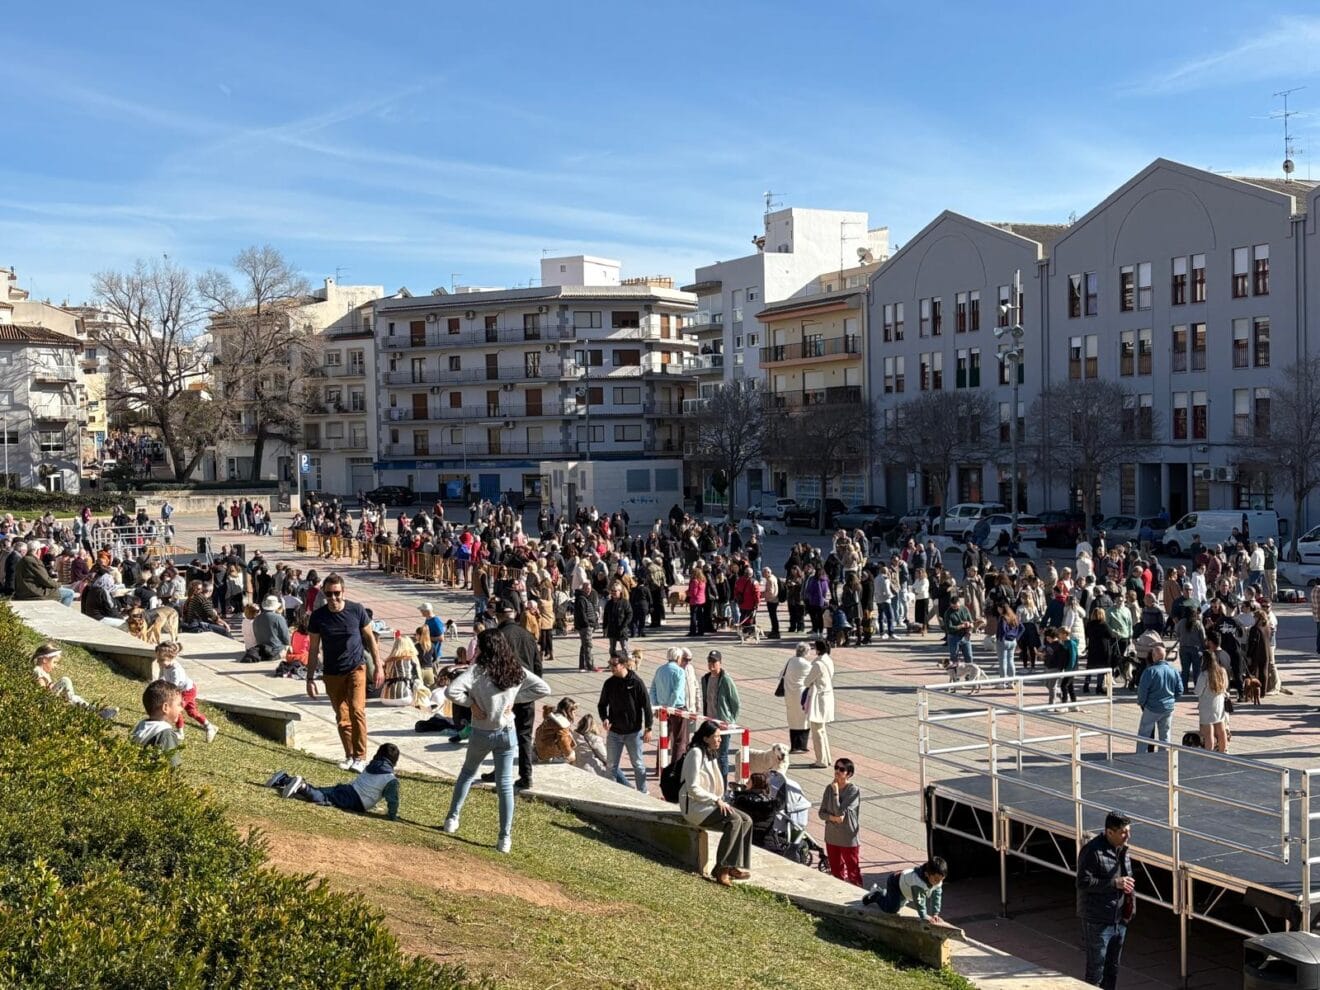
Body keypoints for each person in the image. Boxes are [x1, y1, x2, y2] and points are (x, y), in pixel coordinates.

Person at [442, 628, 550, 853]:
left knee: (467, 773)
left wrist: (471, 703)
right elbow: (543, 688)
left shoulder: (477, 672)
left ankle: (452, 818)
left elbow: (451, 691)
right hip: (506, 732)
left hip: (481, 731)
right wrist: (515, 699)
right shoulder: (514, 670)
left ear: (485, 649)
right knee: (504, 785)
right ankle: (504, 838)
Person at [306, 573, 381, 772]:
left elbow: (371, 639)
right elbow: (313, 648)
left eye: (337, 593)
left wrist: (379, 666)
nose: (333, 598)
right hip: (331, 672)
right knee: (342, 715)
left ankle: (361, 756)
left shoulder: (356, 610)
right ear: (324, 593)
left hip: (356, 667)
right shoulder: (318, 616)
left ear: (343, 592)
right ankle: (349, 754)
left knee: (357, 710)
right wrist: (310, 677)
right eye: (329, 594)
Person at [679, 719, 753, 887]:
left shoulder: (711, 753)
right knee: (734, 821)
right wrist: (716, 799)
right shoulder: (696, 753)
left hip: (710, 804)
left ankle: (733, 865)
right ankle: (722, 868)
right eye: (716, 736)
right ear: (705, 738)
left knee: (747, 820)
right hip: (696, 806)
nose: (720, 740)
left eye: (720, 736)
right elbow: (692, 787)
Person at [1076, 811, 1134, 989]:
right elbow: (1083, 882)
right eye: (1123, 832)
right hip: (1098, 920)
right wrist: (1115, 883)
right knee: (1096, 970)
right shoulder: (1092, 851)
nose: (1127, 835)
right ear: (1109, 832)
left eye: (1128, 831)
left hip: (1119, 919)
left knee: (1112, 968)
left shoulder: (1123, 850)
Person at [270, 743, 401, 820]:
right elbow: (392, 800)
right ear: (394, 761)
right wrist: (392, 816)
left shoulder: (371, 765)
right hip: (356, 801)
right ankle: (302, 787)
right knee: (324, 798)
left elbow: (371, 786)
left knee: (321, 791)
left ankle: (283, 779)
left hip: (349, 788)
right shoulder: (390, 779)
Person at [597, 653, 654, 791]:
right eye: (610, 664)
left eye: (614, 665)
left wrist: (648, 727)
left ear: (623, 665)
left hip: (633, 732)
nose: (611, 667)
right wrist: (605, 718)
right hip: (615, 732)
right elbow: (602, 704)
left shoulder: (636, 682)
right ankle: (612, 793)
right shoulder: (609, 683)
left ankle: (642, 792)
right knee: (611, 765)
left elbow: (646, 706)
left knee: (638, 764)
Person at [32, 642, 116, 719]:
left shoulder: (44, 672)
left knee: (76, 698)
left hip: (51, 698)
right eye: (54, 662)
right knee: (65, 680)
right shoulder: (38, 671)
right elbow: (41, 692)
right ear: (45, 660)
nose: (55, 666)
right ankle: (94, 710)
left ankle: (98, 712)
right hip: (46, 701)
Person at [155, 641, 218, 743]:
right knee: (192, 712)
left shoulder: (176, 671)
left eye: (161, 660)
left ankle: (180, 733)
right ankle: (210, 727)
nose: (158, 662)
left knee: (176, 708)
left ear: (171, 658)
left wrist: (165, 692)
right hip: (183, 690)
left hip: (187, 691)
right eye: (157, 659)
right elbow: (162, 676)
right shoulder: (165, 666)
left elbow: (174, 688)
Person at [819, 757, 862, 886]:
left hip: (848, 837)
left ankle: (859, 897)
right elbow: (821, 813)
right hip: (831, 836)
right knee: (836, 871)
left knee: (853, 872)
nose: (837, 771)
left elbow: (840, 814)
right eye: (836, 768)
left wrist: (836, 793)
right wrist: (833, 819)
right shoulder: (829, 788)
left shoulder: (853, 790)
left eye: (842, 769)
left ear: (849, 774)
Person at [864, 857, 948, 923]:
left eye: (941, 879)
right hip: (895, 883)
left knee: (898, 903)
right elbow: (919, 901)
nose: (938, 882)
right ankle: (877, 894)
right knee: (891, 909)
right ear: (926, 874)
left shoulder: (937, 881)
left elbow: (936, 897)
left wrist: (935, 914)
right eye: (936, 879)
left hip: (905, 888)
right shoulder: (918, 883)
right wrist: (924, 916)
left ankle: (886, 894)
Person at [701, 650, 741, 781]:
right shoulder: (705, 679)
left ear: (720, 663)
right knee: (710, 754)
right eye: (709, 661)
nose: (711, 664)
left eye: (714, 662)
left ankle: (723, 785)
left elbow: (735, 702)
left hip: (723, 724)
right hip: (710, 723)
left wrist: (731, 720)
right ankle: (713, 782)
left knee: (722, 755)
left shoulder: (726, 680)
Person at [1135, 645, 1179, 753]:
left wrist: (1142, 702)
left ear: (1154, 656)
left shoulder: (1150, 671)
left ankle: (1139, 757)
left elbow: (1142, 690)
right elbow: (1180, 689)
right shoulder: (1173, 670)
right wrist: (1172, 699)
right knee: (1165, 735)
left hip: (1152, 707)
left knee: (1144, 734)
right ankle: (1164, 758)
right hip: (1168, 707)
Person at [131, 679, 184, 767]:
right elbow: (172, 766)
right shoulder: (165, 734)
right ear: (165, 707)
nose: (181, 709)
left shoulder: (141, 726)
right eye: (178, 705)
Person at [650, 647, 691, 759]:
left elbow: (652, 689)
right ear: (678, 658)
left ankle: (659, 767)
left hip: (662, 708)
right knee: (679, 740)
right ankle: (675, 768)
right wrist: (670, 708)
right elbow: (676, 692)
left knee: (663, 737)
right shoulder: (680, 671)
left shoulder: (660, 670)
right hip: (676, 709)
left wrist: (656, 706)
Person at [804, 639, 836, 769]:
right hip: (827, 695)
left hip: (818, 698)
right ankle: (826, 758)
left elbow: (807, 681)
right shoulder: (828, 660)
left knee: (817, 730)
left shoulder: (817, 664)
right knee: (822, 729)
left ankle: (820, 760)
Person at [781, 641, 813, 754]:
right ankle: (802, 745)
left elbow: (781, 674)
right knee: (803, 720)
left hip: (789, 694)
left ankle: (794, 745)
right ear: (806, 652)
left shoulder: (791, 660)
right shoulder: (806, 664)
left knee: (793, 720)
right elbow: (812, 677)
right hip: (802, 695)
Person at [1195, 649, 1230, 753]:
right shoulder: (1222, 671)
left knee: (1208, 732)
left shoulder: (1204, 675)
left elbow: (1197, 691)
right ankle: (1223, 751)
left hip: (1207, 706)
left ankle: (1209, 754)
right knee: (1221, 729)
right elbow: (1226, 686)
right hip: (1219, 704)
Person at [533, 697, 577, 763]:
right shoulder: (561, 723)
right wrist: (570, 754)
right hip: (548, 754)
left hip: (540, 749)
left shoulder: (553, 717)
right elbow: (563, 740)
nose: (575, 714)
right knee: (571, 759)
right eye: (574, 712)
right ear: (568, 711)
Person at [253, 595, 292, 661]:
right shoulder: (279, 618)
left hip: (261, 649)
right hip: (275, 650)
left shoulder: (256, 618)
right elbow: (286, 638)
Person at [573, 585, 599, 672]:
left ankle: (582, 665)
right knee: (588, 645)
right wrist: (587, 624)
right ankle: (589, 665)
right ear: (583, 589)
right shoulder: (581, 599)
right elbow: (582, 613)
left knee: (584, 645)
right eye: (587, 589)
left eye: (590, 589)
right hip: (585, 626)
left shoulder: (583, 598)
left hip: (586, 625)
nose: (588, 591)